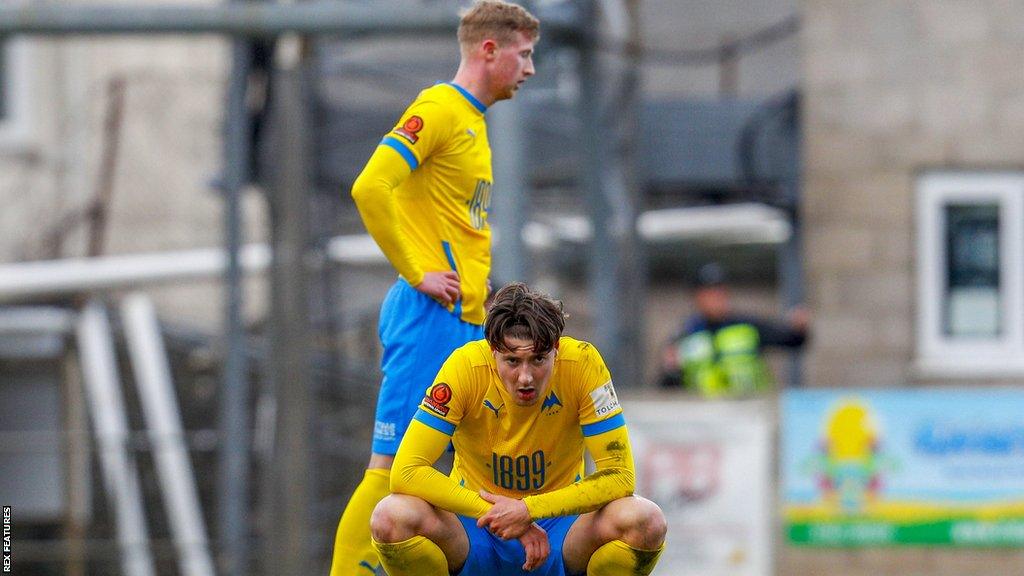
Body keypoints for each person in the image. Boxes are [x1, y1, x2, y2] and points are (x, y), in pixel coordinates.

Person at [329, 2, 540, 574]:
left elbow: (454, 221)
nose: (531, 68)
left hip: (464, 320)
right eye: (524, 54)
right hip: (428, 315)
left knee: (454, 471)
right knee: (392, 467)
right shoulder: (440, 107)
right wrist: (418, 270)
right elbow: (371, 186)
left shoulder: (473, 121)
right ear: (488, 50)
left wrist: (479, 285)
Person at [369, 282, 667, 576]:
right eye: (512, 360)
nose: (525, 377)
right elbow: (406, 471)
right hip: (475, 526)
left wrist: (529, 510)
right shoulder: (464, 367)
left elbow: (620, 476)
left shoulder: (584, 364)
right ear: (492, 351)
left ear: (557, 349)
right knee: (391, 516)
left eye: (538, 359)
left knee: (645, 520)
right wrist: (496, 513)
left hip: (560, 529)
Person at [658, 262, 810, 397]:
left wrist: (799, 328)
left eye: (720, 292)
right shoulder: (685, 336)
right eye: (709, 293)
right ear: (697, 297)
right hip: (704, 419)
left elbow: (792, 340)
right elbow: (667, 386)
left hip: (751, 413)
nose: (716, 298)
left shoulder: (747, 327)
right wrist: (670, 370)